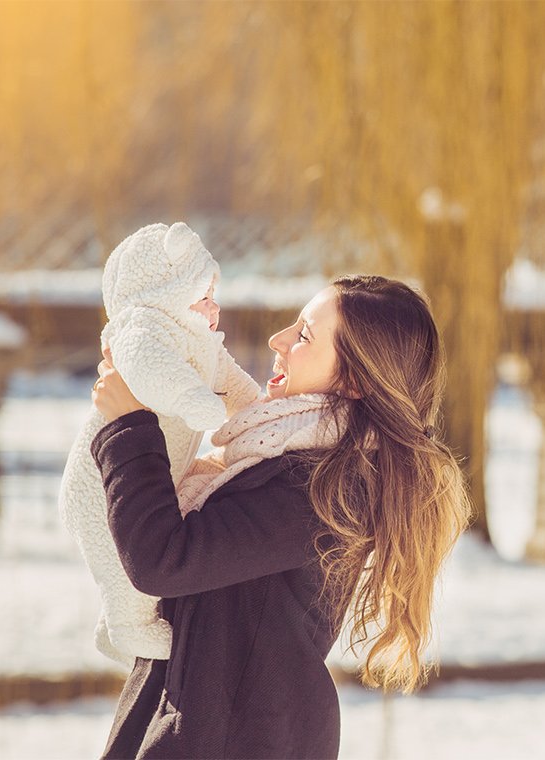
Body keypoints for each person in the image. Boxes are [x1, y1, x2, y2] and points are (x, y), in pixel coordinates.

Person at [90, 274, 471, 759]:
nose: (278, 340)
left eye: (304, 335)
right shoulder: (287, 460)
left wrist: (129, 427)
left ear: (354, 380)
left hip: (238, 739)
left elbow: (165, 558)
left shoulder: (324, 492)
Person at [59, 221, 259, 666]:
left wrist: (255, 413)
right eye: (201, 296)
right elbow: (149, 368)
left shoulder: (202, 343)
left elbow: (235, 386)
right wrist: (191, 399)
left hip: (142, 470)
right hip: (100, 479)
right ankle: (128, 626)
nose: (214, 308)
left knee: (125, 565)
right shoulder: (143, 328)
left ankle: (115, 627)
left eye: (213, 295)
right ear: (164, 291)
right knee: (121, 556)